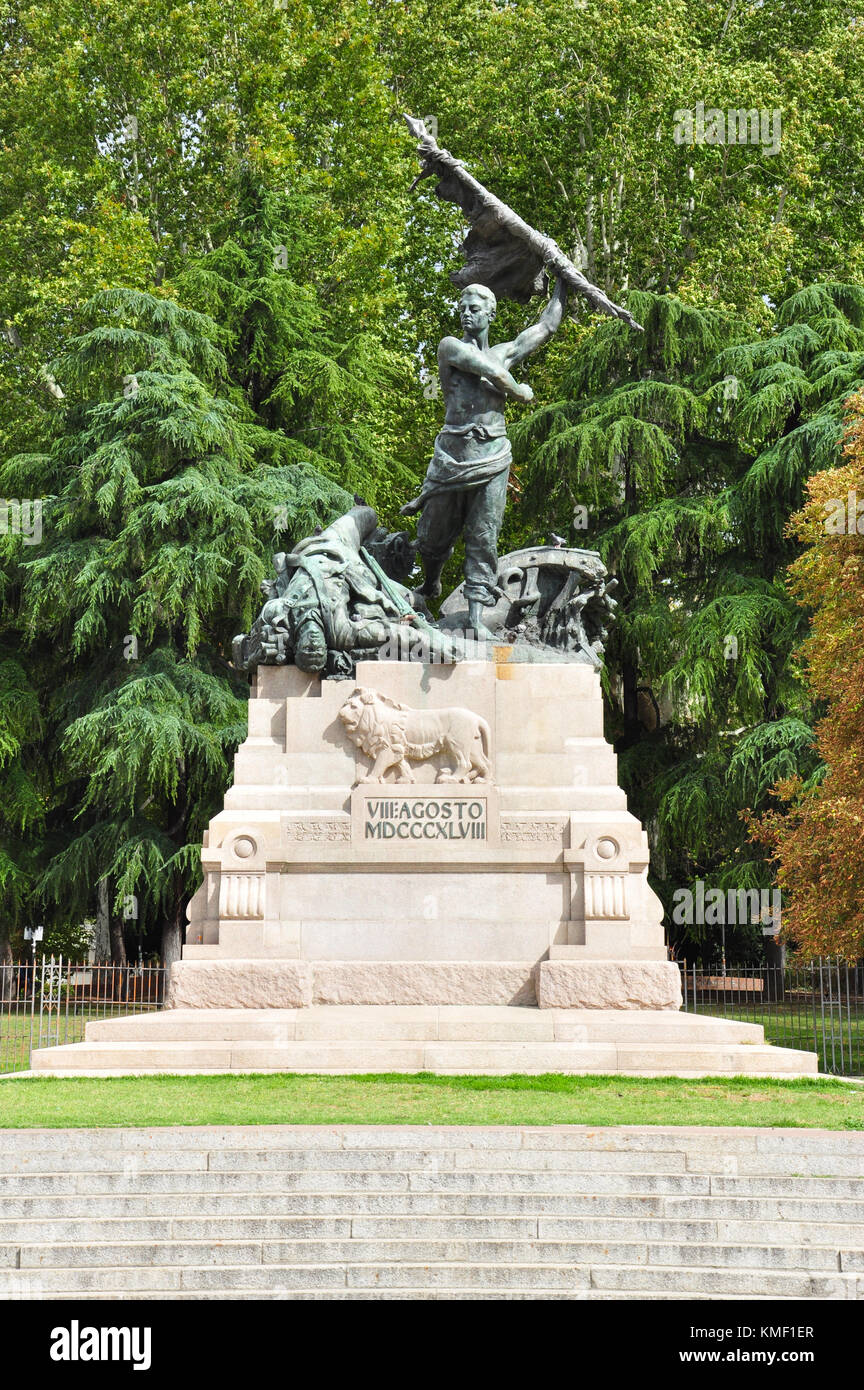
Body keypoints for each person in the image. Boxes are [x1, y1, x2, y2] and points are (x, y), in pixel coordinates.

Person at [402, 277, 567, 637]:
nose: (465, 314)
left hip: (493, 455)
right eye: (461, 308)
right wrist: (520, 392)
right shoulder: (450, 347)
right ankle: (430, 584)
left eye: (474, 309)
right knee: (432, 537)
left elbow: (545, 327)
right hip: (453, 456)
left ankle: (476, 617)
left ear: (491, 313)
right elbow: (490, 371)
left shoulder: (505, 352)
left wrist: (563, 283)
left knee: (484, 536)